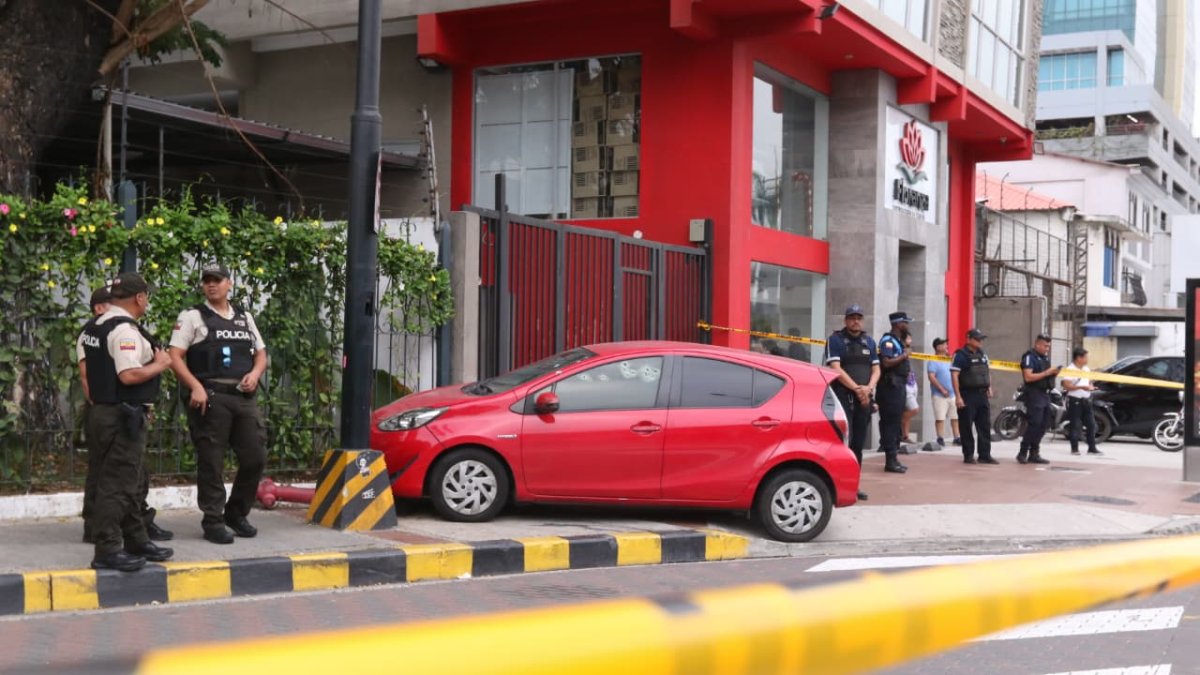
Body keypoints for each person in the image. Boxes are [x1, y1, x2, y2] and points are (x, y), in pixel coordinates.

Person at [168, 262, 268, 545]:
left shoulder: (244, 317)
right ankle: (212, 520)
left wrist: (255, 374)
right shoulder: (192, 316)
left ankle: (236, 513)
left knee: (255, 456)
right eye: (207, 280)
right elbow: (174, 355)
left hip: (242, 396)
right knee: (212, 461)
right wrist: (196, 386)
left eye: (217, 280)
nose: (211, 284)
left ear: (229, 284)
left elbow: (261, 353)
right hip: (211, 397)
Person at [82, 272, 175, 571]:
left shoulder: (96, 325)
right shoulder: (124, 330)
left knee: (129, 480)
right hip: (120, 416)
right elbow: (129, 375)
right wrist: (160, 364)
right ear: (139, 297)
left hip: (103, 412)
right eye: (146, 296)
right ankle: (107, 548)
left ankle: (136, 538)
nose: (147, 301)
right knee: (117, 484)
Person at [824, 304, 879, 500]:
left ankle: (853, 486)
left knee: (857, 445)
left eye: (859, 318)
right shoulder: (836, 340)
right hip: (843, 398)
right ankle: (838, 486)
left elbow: (876, 369)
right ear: (846, 320)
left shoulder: (869, 342)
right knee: (842, 444)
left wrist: (868, 389)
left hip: (864, 399)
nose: (856, 321)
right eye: (852, 318)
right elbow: (835, 368)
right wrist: (857, 389)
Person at [951, 328, 998, 465]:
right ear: (969, 339)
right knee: (966, 426)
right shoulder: (960, 355)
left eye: (981, 339)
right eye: (977, 339)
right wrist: (958, 396)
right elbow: (954, 375)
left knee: (984, 425)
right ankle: (968, 455)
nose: (980, 341)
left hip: (982, 395)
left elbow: (986, 371)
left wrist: (989, 387)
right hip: (967, 394)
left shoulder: (983, 354)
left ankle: (985, 455)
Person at [875, 312, 911, 474]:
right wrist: (904, 356)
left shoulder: (898, 341)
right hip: (890, 388)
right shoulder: (888, 341)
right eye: (905, 323)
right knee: (890, 423)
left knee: (896, 423)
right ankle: (890, 460)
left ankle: (894, 458)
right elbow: (886, 362)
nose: (907, 325)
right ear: (898, 324)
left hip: (898, 387)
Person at [1018, 334, 1060, 465]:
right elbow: (1028, 377)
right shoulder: (1029, 357)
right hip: (1034, 393)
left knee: (1044, 424)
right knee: (1034, 423)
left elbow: (1045, 376)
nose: (1047, 348)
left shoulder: (1044, 358)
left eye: (1049, 346)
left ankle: (1034, 453)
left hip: (1045, 394)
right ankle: (1023, 452)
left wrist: (1054, 373)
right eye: (1045, 346)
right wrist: (1047, 373)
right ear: (1037, 344)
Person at [1062, 346, 1103, 456]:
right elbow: (1066, 386)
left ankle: (1092, 448)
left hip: (1086, 400)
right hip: (1075, 400)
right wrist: (1081, 387)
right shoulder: (1070, 370)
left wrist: (1091, 385)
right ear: (1078, 358)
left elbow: (1088, 382)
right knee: (1075, 425)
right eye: (1085, 357)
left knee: (1091, 425)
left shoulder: (1086, 369)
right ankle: (1074, 449)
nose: (1087, 359)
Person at [926, 338, 960, 447]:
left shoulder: (950, 359)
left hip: (953, 394)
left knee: (955, 417)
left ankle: (957, 437)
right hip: (939, 395)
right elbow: (931, 377)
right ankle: (940, 438)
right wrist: (942, 389)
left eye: (946, 344)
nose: (946, 346)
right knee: (940, 418)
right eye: (944, 344)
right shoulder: (932, 360)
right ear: (937, 347)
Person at [901, 334, 919, 444]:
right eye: (908, 338)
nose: (910, 340)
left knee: (908, 411)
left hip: (912, 383)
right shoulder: (899, 349)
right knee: (914, 409)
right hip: (904, 385)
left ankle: (905, 435)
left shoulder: (909, 351)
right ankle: (900, 421)